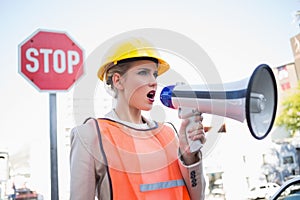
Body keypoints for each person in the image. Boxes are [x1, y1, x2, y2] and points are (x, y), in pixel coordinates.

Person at [70, 37, 206, 200]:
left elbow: (197, 197)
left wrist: (189, 156)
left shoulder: (169, 133)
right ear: (118, 81)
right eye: (143, 73)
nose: (154, 82)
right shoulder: (90, 134)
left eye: (154, 74)